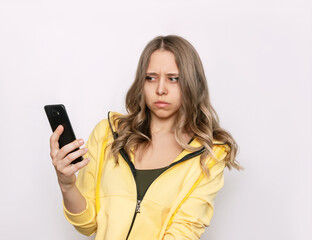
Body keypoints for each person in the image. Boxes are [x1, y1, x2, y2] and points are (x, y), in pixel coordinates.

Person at [49, 35, 241, 240]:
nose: (160, 89)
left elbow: (184, 232)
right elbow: (87, 224)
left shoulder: (210, 155)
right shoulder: (107, 134)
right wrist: (67, 184)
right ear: (141, 82)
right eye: (151, 77)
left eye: (173, 78)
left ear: (192, 83)